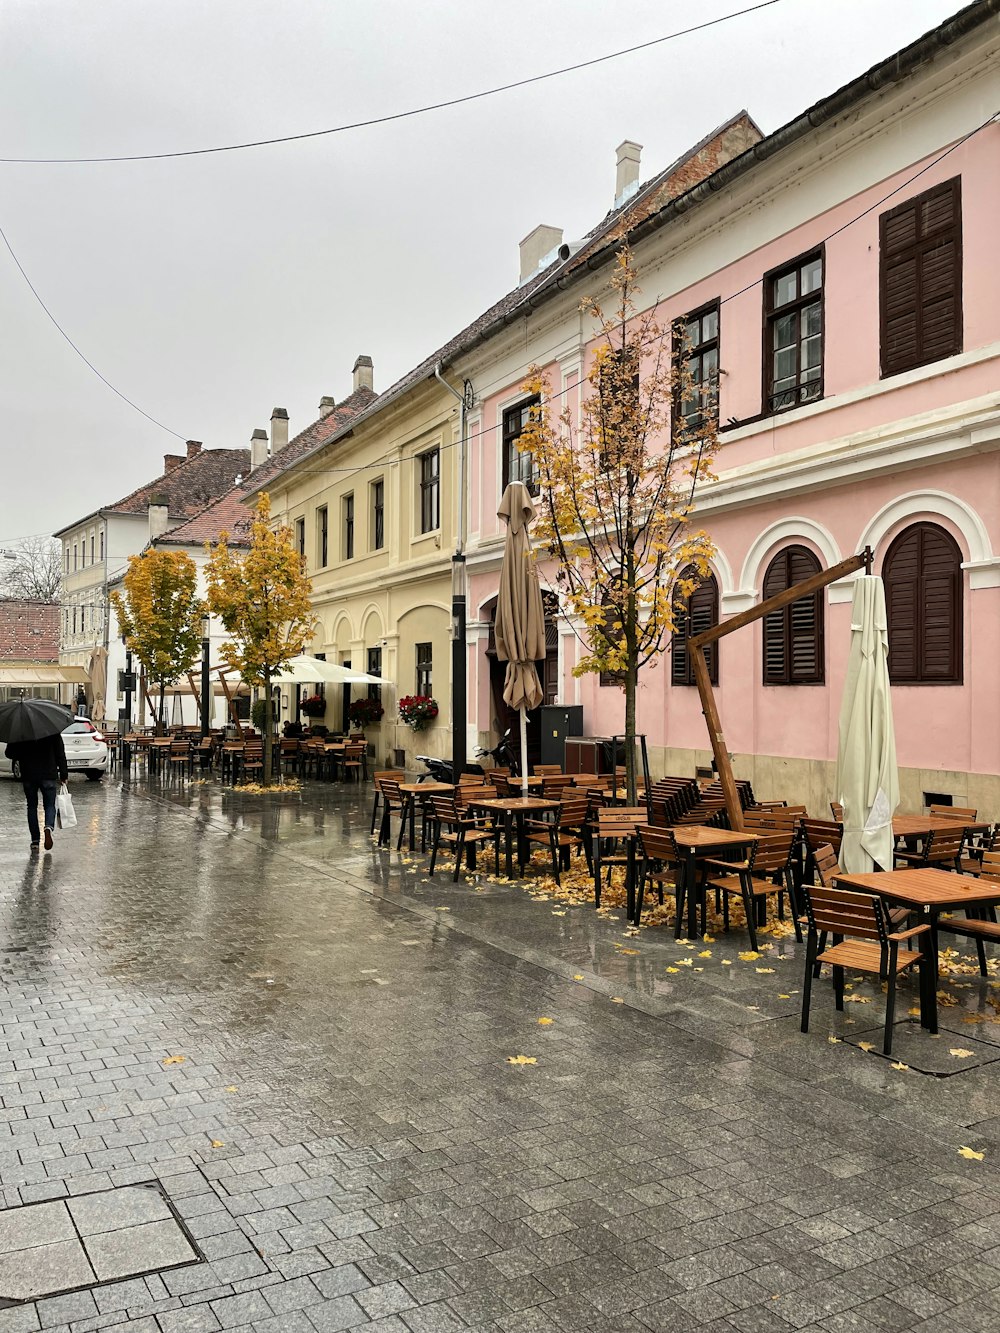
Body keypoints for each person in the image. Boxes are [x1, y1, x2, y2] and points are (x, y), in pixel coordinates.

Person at [5, 731, 69, 852]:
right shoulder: (52, 731)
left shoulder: (20, 732)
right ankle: (48, 828)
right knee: (50, 805)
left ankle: (35, 841)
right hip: (48, 774)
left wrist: (21, 750)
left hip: (29, 774)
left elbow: (9, 753)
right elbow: (60, 754)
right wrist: (64, 774)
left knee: (32, 806)